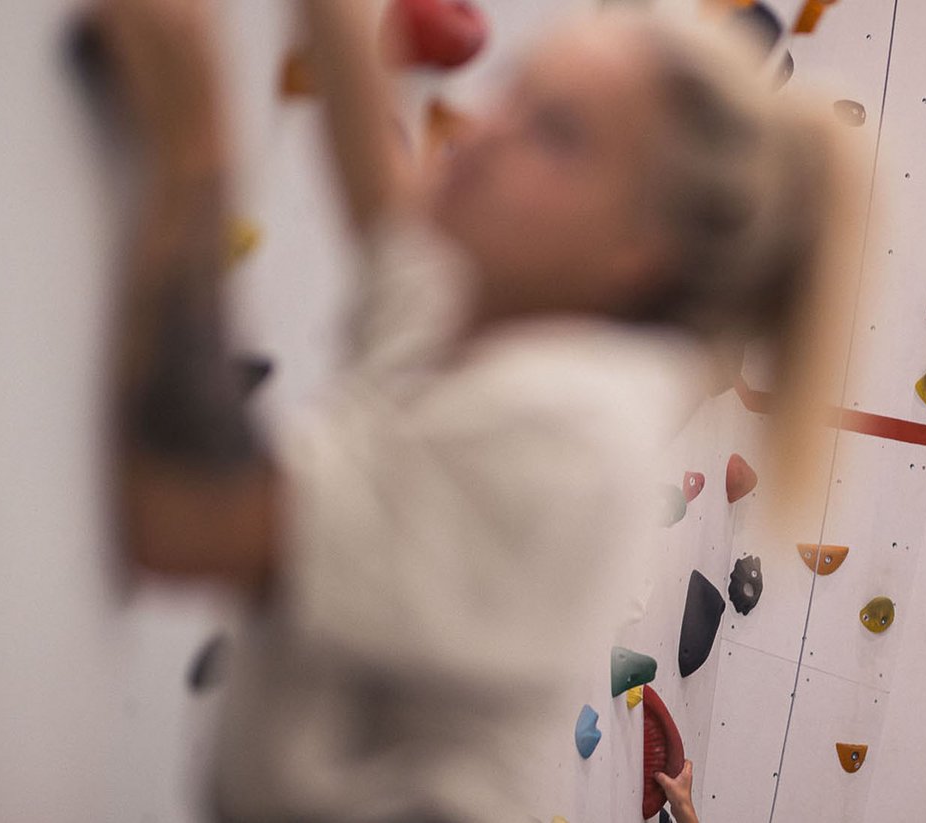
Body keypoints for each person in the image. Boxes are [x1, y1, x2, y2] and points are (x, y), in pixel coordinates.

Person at [92, 0, 857, 819]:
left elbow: (185, 518)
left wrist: (191, 145)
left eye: (556, 132)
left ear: (644, 245)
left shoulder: (574, 429)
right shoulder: (512, 316)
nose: (484, 130)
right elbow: (389, 209)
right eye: (511, 91)